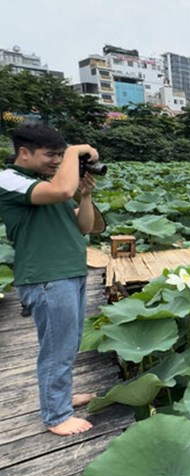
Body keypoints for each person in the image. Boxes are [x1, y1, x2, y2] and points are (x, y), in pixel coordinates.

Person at [0, 122, 99, 436]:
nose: (58, 161)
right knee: (56, 347)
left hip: (70, 271)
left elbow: (85, 227)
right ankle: (56, 415)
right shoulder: (9, 179)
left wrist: (85, 196)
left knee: (67, 344)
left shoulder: (47, 183)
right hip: (46, 276)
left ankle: (63, 398)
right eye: (51, 155)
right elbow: (62, 190)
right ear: (24, 153)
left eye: (61, 154)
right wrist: (73, 151)